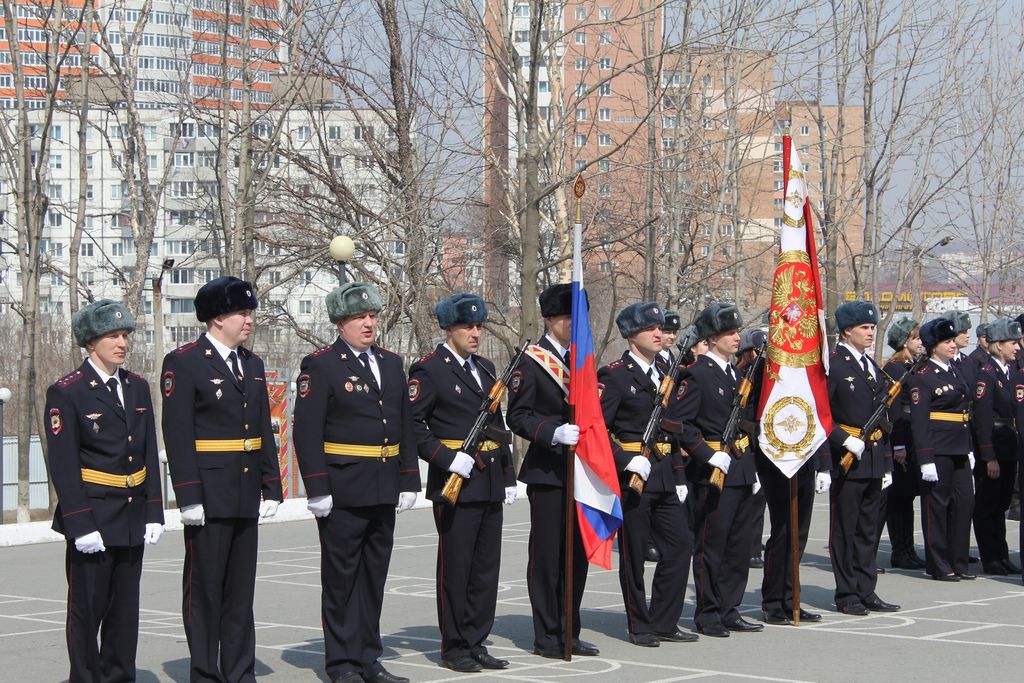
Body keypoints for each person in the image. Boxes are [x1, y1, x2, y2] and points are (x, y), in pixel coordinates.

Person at [292, 281, 421, 683]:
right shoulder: (322, 365)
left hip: (383, 485)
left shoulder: (390, 362)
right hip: (344, 488)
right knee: (342, 581)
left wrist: (408, 479)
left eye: (372, 316)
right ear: (340, 322)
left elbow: (403, 424)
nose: (369, 323)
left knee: (373, 578)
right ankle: (342, 663)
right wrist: (317, 488)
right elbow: (307, 432)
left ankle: (368, 658)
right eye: (358, 317)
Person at [162, 276, 283, 683]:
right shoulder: (185, 362)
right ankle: (205, 673)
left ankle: (239, 672)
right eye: (242, 314)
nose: (249, 321)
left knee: (239, 593)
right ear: (217, 318)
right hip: (209, 493)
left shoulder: (252, 364)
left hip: (245, 490)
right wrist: (188, 496)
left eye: (250, 313)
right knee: (205, 591)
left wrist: (272, 484)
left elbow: (264, 428)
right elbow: (178, 435)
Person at [45, 300, 164, 682]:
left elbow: (147, 451)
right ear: (90, 343)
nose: (122, 343)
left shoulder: (137, 387)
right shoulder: (68, 392)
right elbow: (63, 466)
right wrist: (80, 523)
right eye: (112, 335)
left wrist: (154, 512)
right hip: (94, 518)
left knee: (124, 616)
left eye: (125, 335)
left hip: (131, 517)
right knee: (86, 613)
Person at [408, 293, 516, 673]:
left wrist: (508, 475)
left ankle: (477, 640)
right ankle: (454, 646)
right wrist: (445, 457)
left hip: (487, 481)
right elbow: (414, 427)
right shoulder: (429, 370)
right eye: (468, 326)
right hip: (455, 479)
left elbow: (498, 427)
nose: (475, 332)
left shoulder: (486, 369)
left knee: (486, 569)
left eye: (479, 326)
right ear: (448, 328)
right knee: (457, 568)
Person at [507, 283, 600, 658]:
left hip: (582, 471)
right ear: (549, 319)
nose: (573, 325)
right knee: (548, 557)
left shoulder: (583, 360)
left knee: (576, 555)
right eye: (567, 318)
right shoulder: (530, 361)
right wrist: (552, 432)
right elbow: (518, 416)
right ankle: (547, 634)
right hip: (548, 472)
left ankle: (570, 629)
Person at [599, 302, 696, 647]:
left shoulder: (666, 373)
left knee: (680, 546)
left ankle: (664, 620)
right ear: (630, 334)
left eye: (660, 327)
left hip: (665, 474)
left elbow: (672, 433)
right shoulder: (614, 375)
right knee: (634, 554)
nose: (659, 333)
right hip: (634, 478)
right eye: (650, 328)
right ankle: (640, 624)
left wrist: (680, 477)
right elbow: (598, 430)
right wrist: (625, 460)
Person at [673, 303, 763, 637]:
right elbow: (680, 423)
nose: (737, 338)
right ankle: (708, 612)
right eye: (730, 333)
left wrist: (750, 468)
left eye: (737, 332)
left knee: (739, 546)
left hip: (739, 467)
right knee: (712, 544)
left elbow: (743, 425)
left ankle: (730, 607)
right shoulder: (695, 374)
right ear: (711, 338)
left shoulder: (736, 375)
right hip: (711, 470)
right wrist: (706, 455)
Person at [825, 301, 899, 615]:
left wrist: (885, 462)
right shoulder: (834, 364)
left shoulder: (871, 366)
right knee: (846, 528)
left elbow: (882, 419)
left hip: (872, 456)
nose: (870, 333)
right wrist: (844, 440)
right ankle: (847, 594)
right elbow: (821, 413)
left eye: (872, 328)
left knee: (869, 528)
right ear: (847, 331)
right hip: (848, 456)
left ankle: (866, 590)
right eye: (864, 328)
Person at [911, 318, 975, 581]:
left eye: (952, 340)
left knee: (964, 503)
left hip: (960, 446)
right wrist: (925, 458)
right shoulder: (923, 377)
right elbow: (919, 420)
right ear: (932, 346)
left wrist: (969, 447)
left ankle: (958, 561)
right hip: (938, 448)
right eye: (946, 341)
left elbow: (964, 411)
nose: (952, 345)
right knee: (936, 507)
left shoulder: (955, 371)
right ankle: (938, 564)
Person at [971, 318, 1022, 575]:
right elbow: (982, 420)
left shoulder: (1011, 372)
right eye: (1013, 343)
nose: (1017, 348)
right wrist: (988, 456)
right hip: (993, 447)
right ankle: (989, 556)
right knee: (987, 504)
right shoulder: (986, 374)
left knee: (1001, 504)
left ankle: (1001, 554)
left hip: (1009, 446)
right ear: (999, 345)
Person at [881, 317, 926, 570]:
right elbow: (895, 409)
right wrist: (898, 445)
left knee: (907, 497)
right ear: (903, 342)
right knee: (899, 497)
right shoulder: (896, 368)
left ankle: (907, 548)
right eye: (915, 338)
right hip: (902, 435)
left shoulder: (912, 366)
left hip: (911, 434)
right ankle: (900, 548)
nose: (920, 343)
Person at [736, 329, 768, 570]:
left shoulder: (761, 373)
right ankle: (749, 547)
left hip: (762, 441)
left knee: (759, 500)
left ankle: (754, 545)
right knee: (751, 501)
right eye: (758, 351)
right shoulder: (744, 375)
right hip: (748, 442)